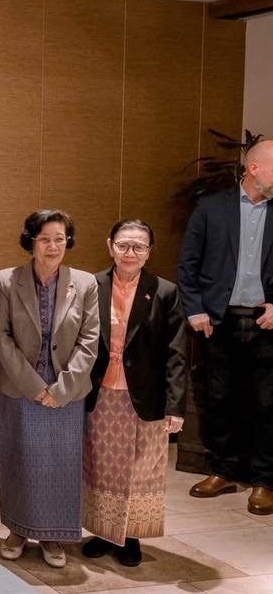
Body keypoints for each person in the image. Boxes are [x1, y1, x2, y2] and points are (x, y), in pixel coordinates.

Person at [0, 210, 98, 569]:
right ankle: (17, 530)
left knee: (60, 465)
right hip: (20, 388)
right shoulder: (7, 280)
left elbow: (89, 341)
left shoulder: (85, 283)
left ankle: (54, 535)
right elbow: (0, 336)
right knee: (19, 460)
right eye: (45, 239)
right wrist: (34, 386)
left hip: (67, 391)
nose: (53, 246)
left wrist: (61, 389)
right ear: (31, 242)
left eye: (60, 239)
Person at [81, 219, 188, 567]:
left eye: (139, 246)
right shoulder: (90, 285)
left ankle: (130, 536)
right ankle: (102, 531)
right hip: (100, 392)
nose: (130, 252)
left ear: (149, 252)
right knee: (101, 465)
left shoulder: (164, 291)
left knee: (139, 469)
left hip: (144, 395)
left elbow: (176, 353)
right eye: (123, 245)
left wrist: (175, 406)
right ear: (110, 246)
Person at [177, 139, 273, 515]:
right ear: (254, 168)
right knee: (219, 397)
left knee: (266, 402)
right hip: (218, 321)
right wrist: (195, 310)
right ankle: (222, 471)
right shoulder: (211, 207)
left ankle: (264, 481)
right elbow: (188, 263)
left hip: (266, 323)